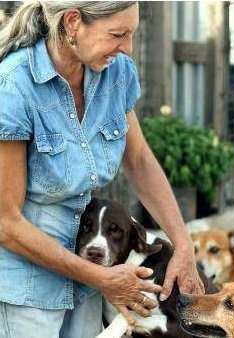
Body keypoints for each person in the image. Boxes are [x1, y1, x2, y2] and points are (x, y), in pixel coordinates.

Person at [0, 2, 203, 337]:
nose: (128, 48)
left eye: (132, 33)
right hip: (27, 283)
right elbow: (6, 223)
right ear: (73, 22)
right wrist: (101, 277)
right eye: (117, 34)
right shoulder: (13, 85)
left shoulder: (116, 73)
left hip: (89, 279)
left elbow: (138, 160)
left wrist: (183, 243)